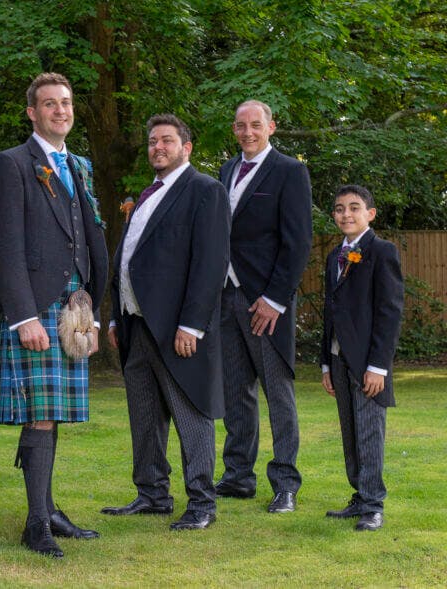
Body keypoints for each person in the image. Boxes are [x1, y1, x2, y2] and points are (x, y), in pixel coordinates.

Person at [0, 72, 109, 557]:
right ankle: (36, 524)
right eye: (50, 104)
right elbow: (5, 246)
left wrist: (94, 316)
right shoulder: (13, 163)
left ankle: (49, 509)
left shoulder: (78, 165)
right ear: (32, 113)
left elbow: (91, 237)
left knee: (52, 414)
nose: (61, 110)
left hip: (75, 307)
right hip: (38, 306)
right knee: (40, 414)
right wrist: (24, 316)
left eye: (66, 103)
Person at [101, 114, 230, 531]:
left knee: (191, 413)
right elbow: (128, 257)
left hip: (177, 328)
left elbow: (210, 263)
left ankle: (202, 503)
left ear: (186, 148)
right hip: (137, 326)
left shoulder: (204, 191)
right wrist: (117, 315)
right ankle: (153, 494)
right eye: (153, 140)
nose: (158, 147)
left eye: (167, 141)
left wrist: (192, 324)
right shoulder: (145, 195)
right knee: (143, 414)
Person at [216, 100, 313, 513]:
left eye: (256, 125)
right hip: (226, 296)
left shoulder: (290, 171)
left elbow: (297, 243)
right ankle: (238, 477)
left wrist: (275, 300)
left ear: (271, 126)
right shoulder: (225, 171)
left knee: (278, 393)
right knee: (236, 392)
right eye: (241, 126)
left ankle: (286, 483)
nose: (248, 132)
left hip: (266, 302)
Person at [321, 185, 404, 531]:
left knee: (369, 431)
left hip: (368, 361)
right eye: (340, 209)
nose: (346, 214)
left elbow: (389, 312)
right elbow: (331, 311)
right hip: (339, 359)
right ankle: (359, 494)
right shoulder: (333, 257)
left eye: (354, 208)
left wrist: (378, 366)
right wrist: (326, 361)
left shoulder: (381, 251)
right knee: (350, 432)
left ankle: (373, 504)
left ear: (370, 214)